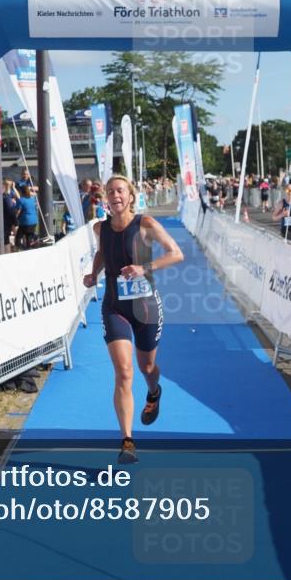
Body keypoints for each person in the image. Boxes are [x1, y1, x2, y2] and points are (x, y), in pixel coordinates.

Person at [81, 175, 184, 464]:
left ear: (130, 196)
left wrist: (144, 267)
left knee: (146, 366)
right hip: (114, 307)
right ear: (105, 197)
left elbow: (176, 254)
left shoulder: (145, 224)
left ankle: (154, 391)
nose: (115, 195)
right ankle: (127, 440)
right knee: (124, 372)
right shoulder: (99, 227)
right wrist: (93, 274)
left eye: (120, 190)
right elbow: (102, 252)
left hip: (145, 308)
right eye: (110, 191)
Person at [16, 184, 39, 250]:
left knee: (17, 241)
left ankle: (25, 249)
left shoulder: (21, 200)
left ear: (20, 192)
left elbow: (18, 211)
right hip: (34, 221)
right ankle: (29, 249)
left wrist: (15, 219)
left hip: (25, 222)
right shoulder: (32, 199)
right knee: (28, 239)